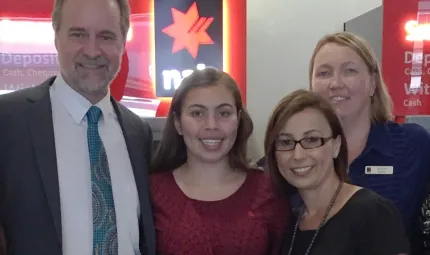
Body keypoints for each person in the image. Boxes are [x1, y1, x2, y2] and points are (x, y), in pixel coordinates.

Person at [0, 0, 156, 254]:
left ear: (123, 42)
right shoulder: (8, 121)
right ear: (56, 37)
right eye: (78, 34)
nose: (92, 51)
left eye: (106, 36)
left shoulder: (138, 133)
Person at [308, 31, 430, 254]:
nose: (335, 83)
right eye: (324, 73)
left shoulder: (414, 144)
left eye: (349, 71)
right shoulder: (296, 153)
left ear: (373, 83)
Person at [150, 67, 289, 255]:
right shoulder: (153, 191)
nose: (211, 125)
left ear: (238, 120)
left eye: (223, 113)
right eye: (197, 113)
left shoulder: (268, 190)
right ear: (177, 123)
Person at [264, 89, 410, 255]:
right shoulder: (290, 221)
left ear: (336, 145)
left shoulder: (372, 212)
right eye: (286, 142)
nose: (298, 155)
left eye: (312, 139)